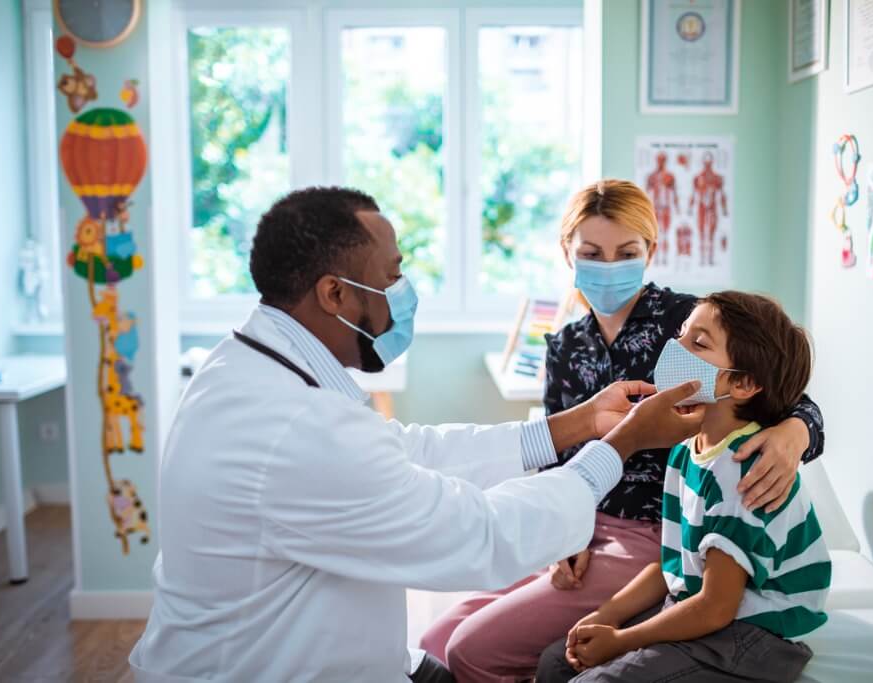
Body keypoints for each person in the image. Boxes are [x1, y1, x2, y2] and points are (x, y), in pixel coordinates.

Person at [127, 186, 707, 683]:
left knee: (454, 653)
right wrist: (620, 444)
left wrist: (578, 424)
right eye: (394, 275)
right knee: (455, 646)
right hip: (266, 667)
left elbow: (409, 449)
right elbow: (482, 536)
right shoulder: (294, 428)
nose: (405, 292)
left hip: (303, 653)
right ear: (335, 294)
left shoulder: (248, 371)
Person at [420, 180, 825, 682]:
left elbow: (784, 394)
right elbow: (556, 453)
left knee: (472, 649)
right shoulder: (567, 345)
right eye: (591, 252)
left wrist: (794, 434)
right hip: (583, 523)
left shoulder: (688, 321)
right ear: (567, 253)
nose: (608, 266)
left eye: (626, 252)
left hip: (656, 533)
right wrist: (564, 528)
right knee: (435, 642)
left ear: (650, 251)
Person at [537, 291, 830, 682]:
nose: (675, 348)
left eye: (699, 343)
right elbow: (673, 565)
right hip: (702, 603)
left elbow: (716, 607)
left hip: (753, 634)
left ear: (743, 383)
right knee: (555, 662)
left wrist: (622, 640)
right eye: (681, 334)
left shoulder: (742, 470)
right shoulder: (685, 452)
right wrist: (608, 615)